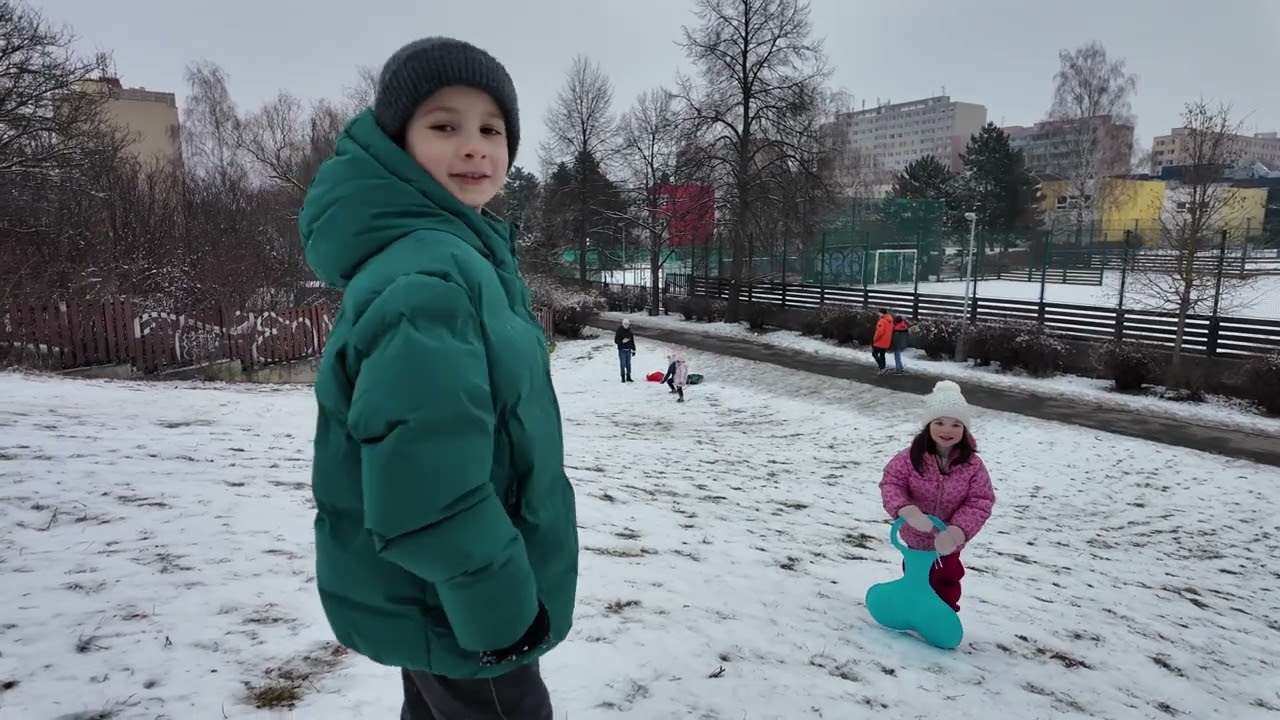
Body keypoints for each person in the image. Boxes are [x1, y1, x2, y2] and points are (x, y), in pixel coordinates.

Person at [298, 36, 578, 720]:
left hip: (442, 598)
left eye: (491, 129)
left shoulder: (458, 255)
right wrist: (499, 612)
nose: (475, 148)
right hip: (465, 607)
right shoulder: (429, 277)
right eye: (445, 126)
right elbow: (426, 484)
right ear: (399, 141)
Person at [879, 380, 995, 612]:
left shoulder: (972, 465)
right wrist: (906, 510)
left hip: (948, 541)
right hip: (915, 536)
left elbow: (980, 501)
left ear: (964, 430)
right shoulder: (909, 458)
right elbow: (891, 482)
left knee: (946, 578)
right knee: (915, 575)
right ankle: (913, 608)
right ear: (928, 425)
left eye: (956, 425)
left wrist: (957, 531)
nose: (947, 430)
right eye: (939, 422)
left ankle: (943, 612)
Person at [872, 308, 893, 375]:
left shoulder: (882, 321)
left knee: (874, 354)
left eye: (879, 313)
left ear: (882, 313)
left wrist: (875, 339)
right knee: (882, 354)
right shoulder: (890, 320)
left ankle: (882, 367)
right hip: (886, 341)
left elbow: (880, 332)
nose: (878, 314)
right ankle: (883, 368)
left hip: (880, 341)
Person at [614, 318, 636, 382]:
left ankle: (628, 376)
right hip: (622, 350)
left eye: (628, 324)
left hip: (628, 350)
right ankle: (623, 377)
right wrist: (622, 341)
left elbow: (632, 341)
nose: (626, 325)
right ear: (622, 324)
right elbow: (616, 341)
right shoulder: (619, 331)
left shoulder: (630, 331)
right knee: (623, 364)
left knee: (628, 364)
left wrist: (634, 349)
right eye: (625, 324)